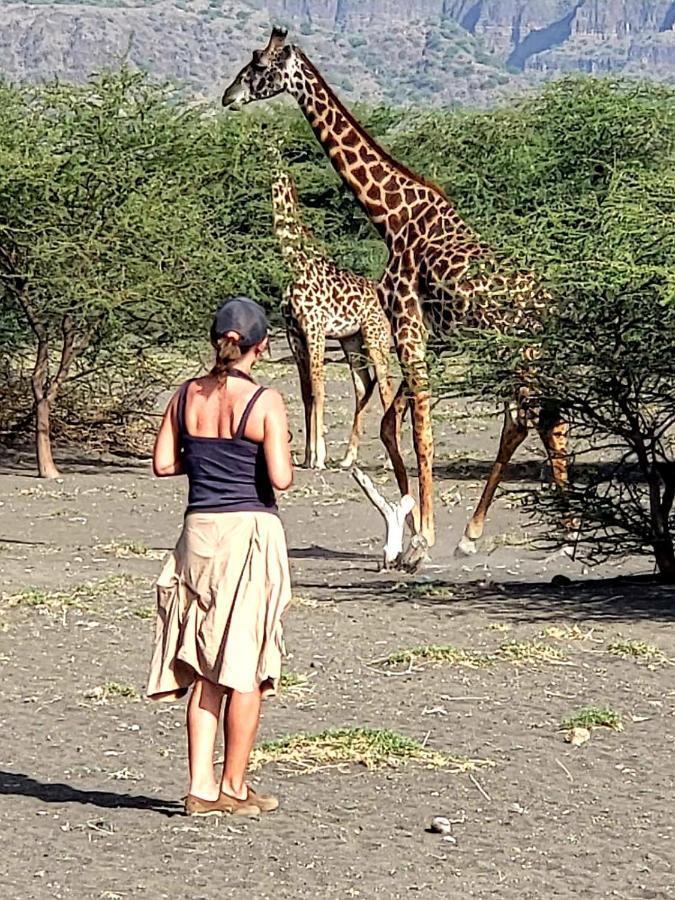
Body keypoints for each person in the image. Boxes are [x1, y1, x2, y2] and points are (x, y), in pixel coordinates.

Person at [146, 296, 293, 818]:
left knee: (205, 663)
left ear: (217, 342)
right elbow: (280, 478)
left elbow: (164, 463)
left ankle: (199, 786)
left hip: (198, 534)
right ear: (262, 347)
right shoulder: (266, 401)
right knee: (245, 665)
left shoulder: (185, 395)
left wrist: (204, 456)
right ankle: (233, 785)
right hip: (249, 532)